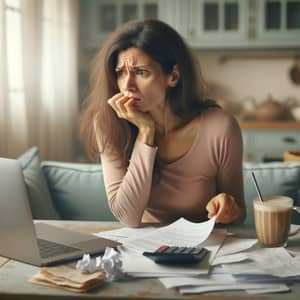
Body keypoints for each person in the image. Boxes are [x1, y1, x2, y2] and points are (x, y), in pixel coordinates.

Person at [80, 19, 246, 228]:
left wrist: (229, 209)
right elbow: (127, 216)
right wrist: (146, 134)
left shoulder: (219, 128)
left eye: (141, 72)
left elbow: (239, 212)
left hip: (205, 248)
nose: (127, 85)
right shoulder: (107, 124)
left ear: (173, 76)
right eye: (121, 72)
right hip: (144, 250)